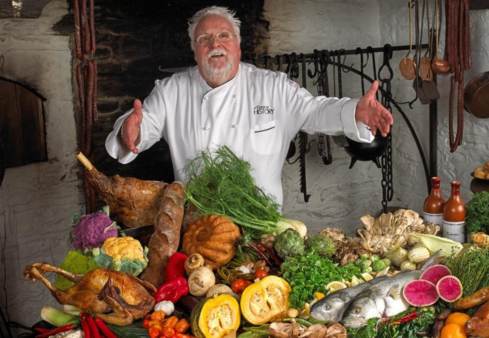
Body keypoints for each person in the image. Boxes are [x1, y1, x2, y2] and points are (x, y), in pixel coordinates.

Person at [105, 6, 393, 206]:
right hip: (196, 228)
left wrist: (354, 110)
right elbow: (144, 126)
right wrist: (129, 130)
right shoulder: (171, 91)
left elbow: (315, 110)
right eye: (204, 39)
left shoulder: (273, 86)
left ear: (239, 47)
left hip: (262, 227)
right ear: (195, 51)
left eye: (224, 35)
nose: (214, 43)